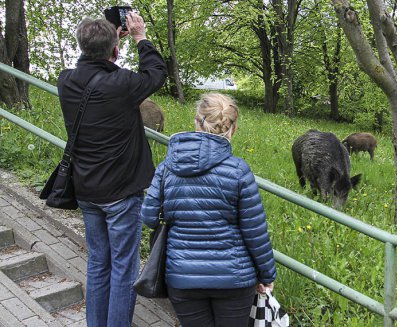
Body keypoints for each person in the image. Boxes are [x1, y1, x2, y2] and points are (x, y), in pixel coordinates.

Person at [57, 13, 167, 326]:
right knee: (123, 268)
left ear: (81, 46)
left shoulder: (66, 81)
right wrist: (139, 37)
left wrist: (109, 41)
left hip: (87, 190)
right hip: (121, 193)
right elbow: (156, 73)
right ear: (114, 50)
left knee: (98, 263)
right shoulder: (123, 84)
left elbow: (90, 61)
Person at [140, 93, 277, 326]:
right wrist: (266, 274)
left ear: (196, 121)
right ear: (233, 130)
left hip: (182, 276)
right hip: (235, 277)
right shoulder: (239, 171)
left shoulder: (167, 168)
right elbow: (255, 232)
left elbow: (149, 217)